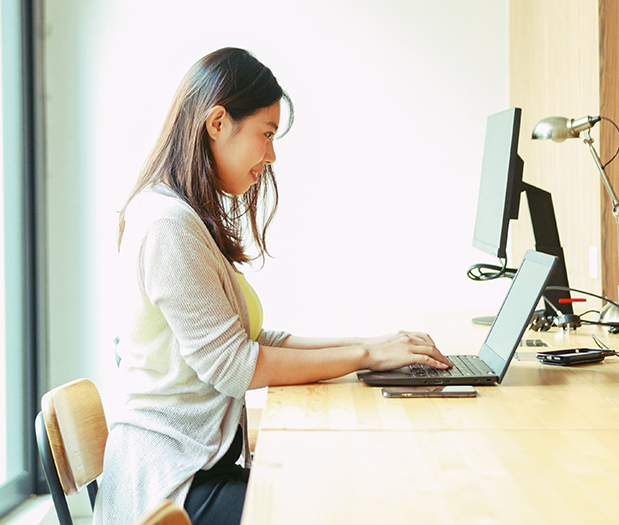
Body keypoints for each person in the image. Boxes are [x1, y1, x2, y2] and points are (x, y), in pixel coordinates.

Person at [93, 47, 453, 525]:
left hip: (195, 468)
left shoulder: (184, 215)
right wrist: (366, 358)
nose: (272, 154)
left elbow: (256, 344)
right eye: (266, 134)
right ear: (217, 123)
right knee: (345, 505)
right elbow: (236, 366)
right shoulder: (168, 225)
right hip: (170, 486)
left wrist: (372, 344)